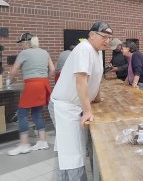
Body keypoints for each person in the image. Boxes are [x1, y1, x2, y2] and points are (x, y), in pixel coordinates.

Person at [49, 21, 112, 180]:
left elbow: (96, 79)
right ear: (91, 35)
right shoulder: (84, 49)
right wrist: (88, 110)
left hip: (75, 106)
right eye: (104, 36)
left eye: (109, 38)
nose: (107, 41)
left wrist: (96, 99)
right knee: (73, 153)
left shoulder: (97, 52)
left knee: (68, 150)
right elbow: (81, 80)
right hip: (66, 107)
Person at [8, 33, 55, 156]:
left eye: (22, 43)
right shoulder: (45, 52)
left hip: (32, 85)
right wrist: (43, 78)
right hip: (43, 84)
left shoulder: (24, 53)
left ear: (27, 42)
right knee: (36, 113)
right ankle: (43, 141)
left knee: (22, 113)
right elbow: (53, 70)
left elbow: (13, 71)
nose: (21, 46)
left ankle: (24, 145)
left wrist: (10, 81)